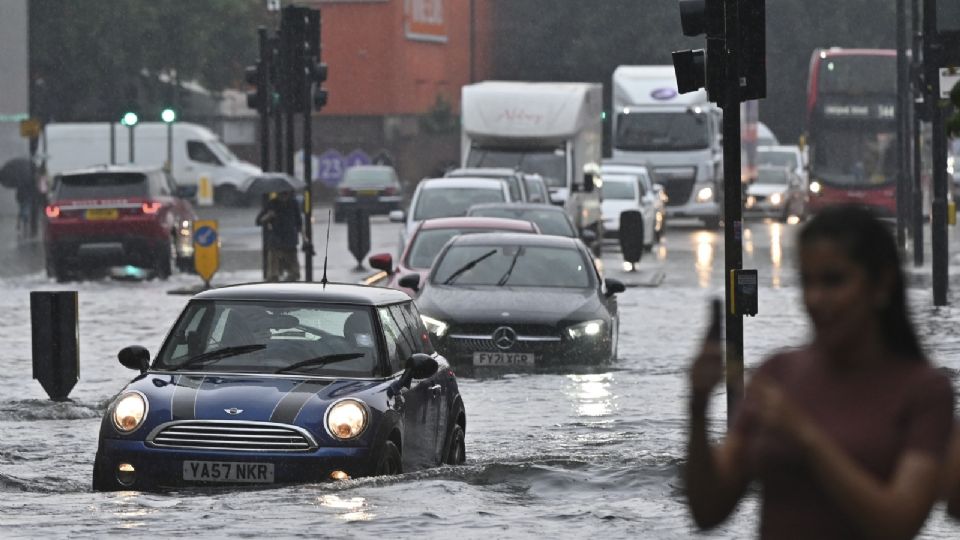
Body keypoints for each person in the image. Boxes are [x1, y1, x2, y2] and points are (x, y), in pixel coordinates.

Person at [686, 204, 955, 539]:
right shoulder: (777, 374)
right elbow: (707, 511)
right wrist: (697, 406)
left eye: (833, 281)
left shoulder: (923, 390)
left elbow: (897, 523)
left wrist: (805, 436)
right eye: (807, 282)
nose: (816, 298)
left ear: (881, 284)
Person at [255, 189, 302, 282]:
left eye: (285, 194)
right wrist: (268, 216)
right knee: (274, 259)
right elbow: (258, 221)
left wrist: (304, 236)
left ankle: (291, 275)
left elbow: (299, 222)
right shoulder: (272, 204)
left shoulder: (293, 204)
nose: (284, 196)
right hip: (276, 237)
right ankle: (274, 276)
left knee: (292, 264)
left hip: (289, 237)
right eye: (281, 194)